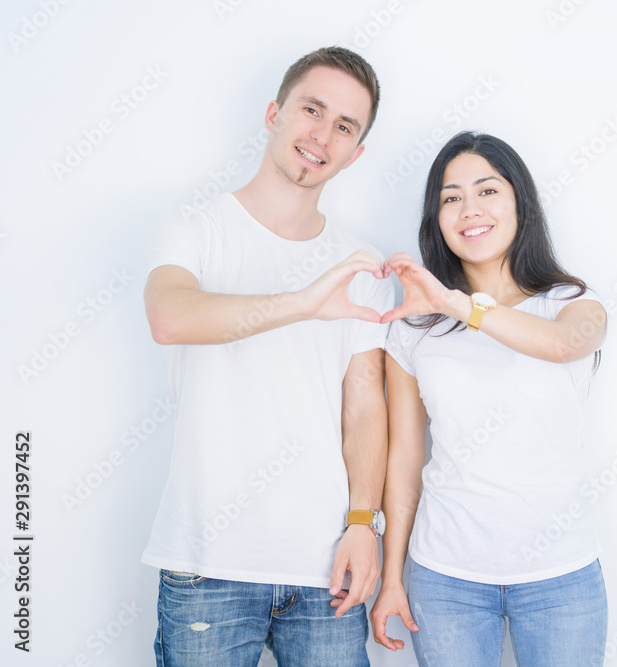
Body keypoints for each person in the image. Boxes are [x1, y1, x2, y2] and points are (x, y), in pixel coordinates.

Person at [141, 46, 393, 666]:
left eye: (344, 126)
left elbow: (365, 408)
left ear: (356, 153)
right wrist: (303, 303)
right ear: (274, 113)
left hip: (326, 570)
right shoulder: (195, 228)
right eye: (312, 110)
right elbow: (170, 318)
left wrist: (364, 522)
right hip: (207, 565)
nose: (322, 136)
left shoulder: (361, 266)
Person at [370, 131, 610, 666]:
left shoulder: (572, 303)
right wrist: (392, 577)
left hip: (561, 576)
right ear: (436, 218)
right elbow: (405, 459)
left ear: (520, 201)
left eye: (487, 190)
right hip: (445, 579)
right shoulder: (414, 327)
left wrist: (461, 305)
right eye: (451, 197)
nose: (469, 209)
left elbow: (561, 345)